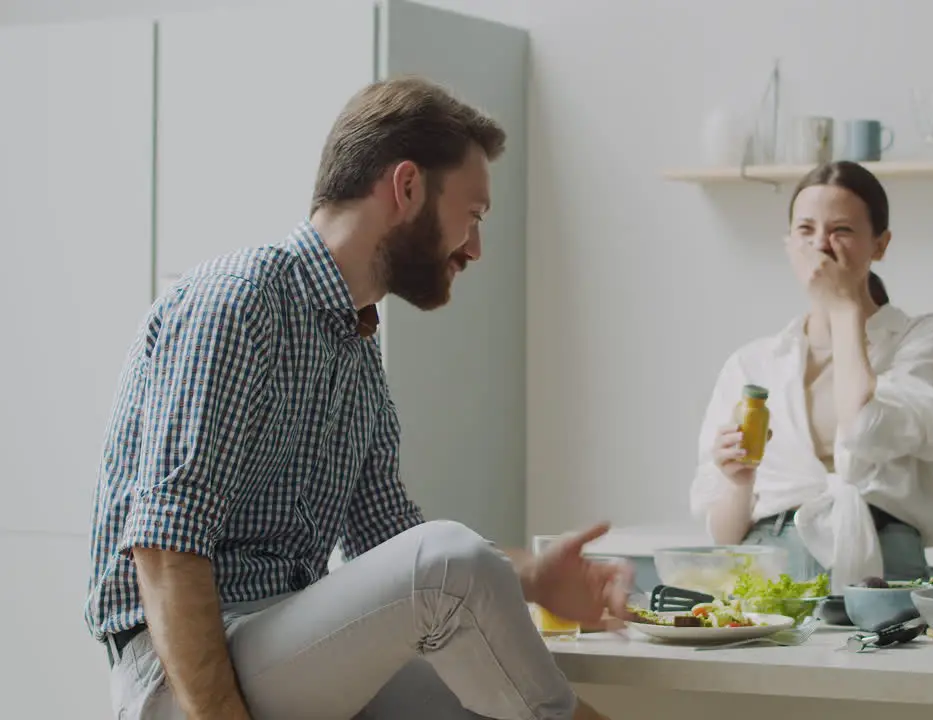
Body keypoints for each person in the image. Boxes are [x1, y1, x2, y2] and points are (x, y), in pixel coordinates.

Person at [85, 76, 633, 720]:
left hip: (282, 650)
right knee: (451, 560)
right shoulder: (238, 302)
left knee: (480, 702)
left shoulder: (354, 342)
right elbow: (165, 551)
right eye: (474, 214)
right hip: (177, 677)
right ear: (406, 187)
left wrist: (533, 575)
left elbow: (392, 544)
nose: (476, 248)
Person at [689, 161, 933, 589]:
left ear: (880, 245)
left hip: (884, 572)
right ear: (789, 243)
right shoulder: (752, 365)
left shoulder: (927, 340)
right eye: (806, 230)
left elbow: (865, 428)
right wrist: (738, 482)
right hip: (767, 578)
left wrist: (844, 308)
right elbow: (723, 533)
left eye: (841, 230)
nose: (822, 245)